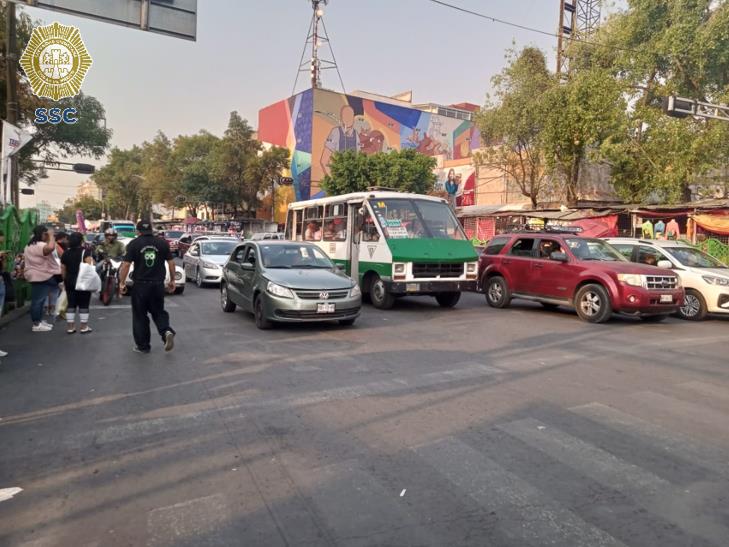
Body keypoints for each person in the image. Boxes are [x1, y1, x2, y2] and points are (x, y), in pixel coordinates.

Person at [118, 220, 176, 354]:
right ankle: (166, 331)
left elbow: (126, 265)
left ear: (138, 231)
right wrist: (172, 280)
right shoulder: (162, 243)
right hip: (157, 285)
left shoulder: (134, 244)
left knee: (140, 316)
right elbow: (171, 263)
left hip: (141, 285)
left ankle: (143, 346)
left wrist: (121, 283)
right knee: (158, 312)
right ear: (151, 229)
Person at [24, 226, 60, 332]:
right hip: (40, 275)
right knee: (38, 301)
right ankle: (36, 324)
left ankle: (38, 320)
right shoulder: (39, 245)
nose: (47, 236)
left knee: (39, 299)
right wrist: (51, 236)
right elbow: (50, 248)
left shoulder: (30, 245)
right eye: (46, 234)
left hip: (36, 275)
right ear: (42, 234)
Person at [61, 232, 94, 334]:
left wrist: (64, 281)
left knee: (71, 304)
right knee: (84, 304)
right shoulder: (86, 252)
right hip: (83, 281)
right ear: (81, 241)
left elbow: (63, 269)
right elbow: (90, 266)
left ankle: (70, 327)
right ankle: (84, 327)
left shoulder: (66, 252)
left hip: (70, 281)